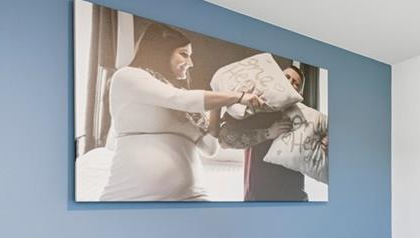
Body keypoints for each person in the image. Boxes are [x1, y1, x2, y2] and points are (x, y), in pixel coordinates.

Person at [100, 23, 265, 201]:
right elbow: (179, 99)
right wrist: (237, 96)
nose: (191, 63)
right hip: (133, 197)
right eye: (184, 54)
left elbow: (210, 148)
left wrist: (216, 106)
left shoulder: (187, 107)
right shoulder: (128, 76)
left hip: (192, 196)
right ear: (161, 51)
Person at [214, 65, 313, 201]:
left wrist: (324, 145)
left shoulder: (304, 119)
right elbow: (224, 140)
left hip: (296, 199)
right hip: (260, 198)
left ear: (299, 95)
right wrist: (268, 133)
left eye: (296, 83)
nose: (290, 83)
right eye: (287, 77)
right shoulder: (255, 108)